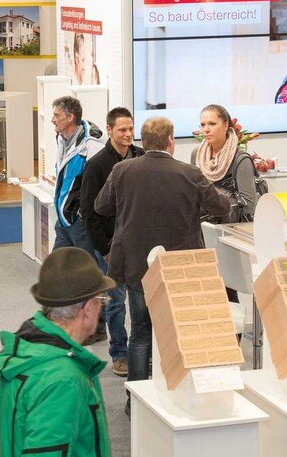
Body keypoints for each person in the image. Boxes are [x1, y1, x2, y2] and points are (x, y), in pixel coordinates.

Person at [94, 117, 229, 386]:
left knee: (141, 331)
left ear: (143, 141)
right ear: (171, 141)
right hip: (180, 266)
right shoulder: (189, 173)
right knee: (182, 328)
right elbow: (220, 207)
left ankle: (136, 397)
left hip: (137, 264)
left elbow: (101, 206)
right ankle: (179, 388)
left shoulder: (122, 170)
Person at [0, 247, 113, 457]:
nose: (103, 309)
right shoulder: (62, 381)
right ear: (87, 309)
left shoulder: (28, 351)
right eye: (102, 301)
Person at [78, 107, 141, 375]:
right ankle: (120, 353)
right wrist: (103, 249)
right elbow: (89, 212)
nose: (128, 134)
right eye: (122, 130)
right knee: (116, 302)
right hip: (110, 245)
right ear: (110, 129)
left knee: (140, 300)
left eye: (130, 129)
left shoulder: (141, 157)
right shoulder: (97, 165)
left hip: (138, 243)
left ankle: (142, 350)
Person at [50, 95, 103, 253]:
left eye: (56, 115)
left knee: (90, 270)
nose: (53, 119)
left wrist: (81, 215)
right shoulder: (61, 138)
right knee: (55, 268)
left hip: (79, 222)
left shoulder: (91, 146)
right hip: (63, 219)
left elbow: (99, 185)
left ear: (70, 117)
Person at [191, 104, 260, 225]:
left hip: (232, 228)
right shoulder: (197, 154)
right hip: (202, 226)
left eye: (212, 124)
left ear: (226, 125)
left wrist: (213, 199)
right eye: (203, 125)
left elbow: (248, 205)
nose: (206, 129)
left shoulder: (240, 159)